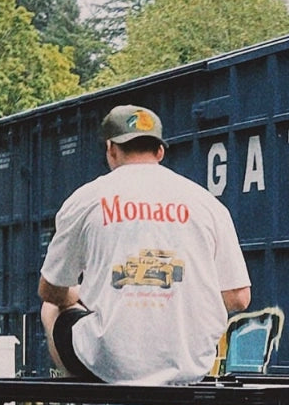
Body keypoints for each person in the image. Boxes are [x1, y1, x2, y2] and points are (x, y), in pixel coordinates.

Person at [39, 103, 251, 385]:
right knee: (175, 344)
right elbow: (239, 297)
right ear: (160, 151)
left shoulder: (86, 199)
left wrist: (79, 296)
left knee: (51, 309)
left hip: (109, 362)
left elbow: (50, 289)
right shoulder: (207, 204)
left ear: (111, 149)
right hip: (190, 363)